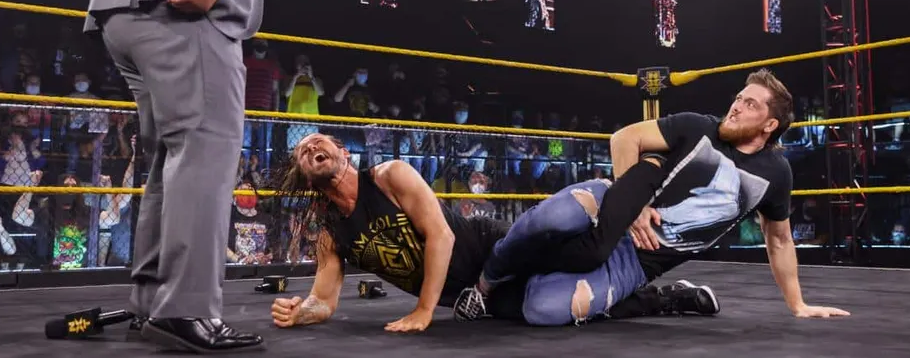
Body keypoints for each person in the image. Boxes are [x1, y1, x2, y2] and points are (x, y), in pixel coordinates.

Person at [83, 0, 275, 354]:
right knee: (208, 152)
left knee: (174, 161)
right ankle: (187, 308)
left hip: (135, 15)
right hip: (181, 18)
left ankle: (152, 302)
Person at [455, 69, 851, 322]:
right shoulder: (698, 127)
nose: (736, 107)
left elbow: (779, 240)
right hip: (610, 206)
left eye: (750, 104)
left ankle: (661, 299)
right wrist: (634, 205)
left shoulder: (775, 174)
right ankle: (485, 285)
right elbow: (625, 138)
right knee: (553, 218)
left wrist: (798, 304)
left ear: (769, 125)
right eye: (738, 98)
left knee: (542, 309)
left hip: (637, 262)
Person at [268, 134, 717, 332]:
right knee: (556, 311)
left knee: (575, 254)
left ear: (344, 152)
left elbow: (441, 237)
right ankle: (667, 299)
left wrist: (424, 310)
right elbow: (324, 300)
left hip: (491, 247)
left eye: (318, 140)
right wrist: (299, 312)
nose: (311, 146)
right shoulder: (331, 234)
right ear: (305, 175)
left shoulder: (390, 177)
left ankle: (626, 217)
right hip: (468, 296)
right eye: (303, 150)